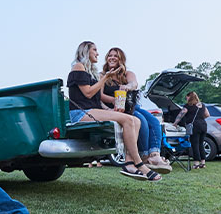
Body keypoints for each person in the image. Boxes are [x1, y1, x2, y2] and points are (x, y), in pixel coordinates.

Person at [67, 41, 161, 181]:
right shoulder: (78, 66)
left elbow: (97, 98)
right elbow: (88, 93)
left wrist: (112, 106)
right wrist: (105, 78)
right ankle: (140, 164)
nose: (98, 53)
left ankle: (129, 163)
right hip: (81, 113)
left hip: (93, 110)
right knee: (129, 119)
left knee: (136, 120)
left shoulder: (90, 71)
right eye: (95, 50)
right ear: (86, 51)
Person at [99, 47, 171, 174]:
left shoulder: (127, 74)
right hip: (116, 108)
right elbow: (100, 96)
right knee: (141, 120)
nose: (112, 58)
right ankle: (144, 156)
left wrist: (127, 86)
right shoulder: (102, 75)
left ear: (121, 59)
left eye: (116, 56)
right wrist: (113, 100)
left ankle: (154, 155)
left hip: (132, 106)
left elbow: (134, 84)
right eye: (110, 55)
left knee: (154, 121)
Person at [173, 91, 209, 169]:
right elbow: (207, 115)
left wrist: (175, 123)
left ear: (190, 97)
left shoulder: (188, 106)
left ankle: (196, 163)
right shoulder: (202, 105)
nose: (186, 98)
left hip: (194, 126)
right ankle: (203, 163)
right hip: (203, 125)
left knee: (195, 144)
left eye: (187, 96)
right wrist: (200, 119)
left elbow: (181, 114)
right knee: (201, 144)